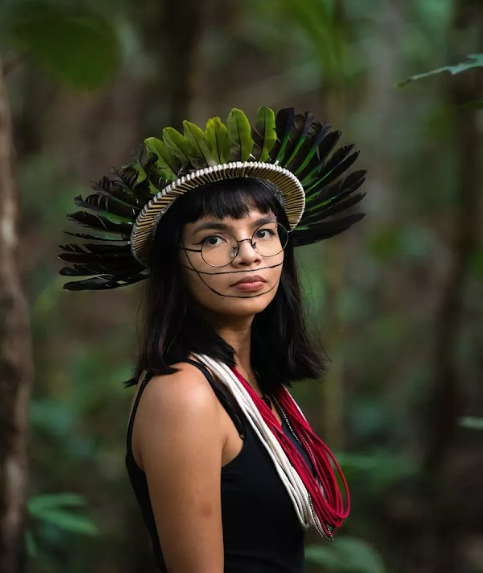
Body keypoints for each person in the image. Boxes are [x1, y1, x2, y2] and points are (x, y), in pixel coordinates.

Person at [58, 106, 367, 573]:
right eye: (212, 239)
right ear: (173, 263)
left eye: (263, 232)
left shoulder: (253, 382)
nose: (248, 254)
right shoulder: (184, 394)